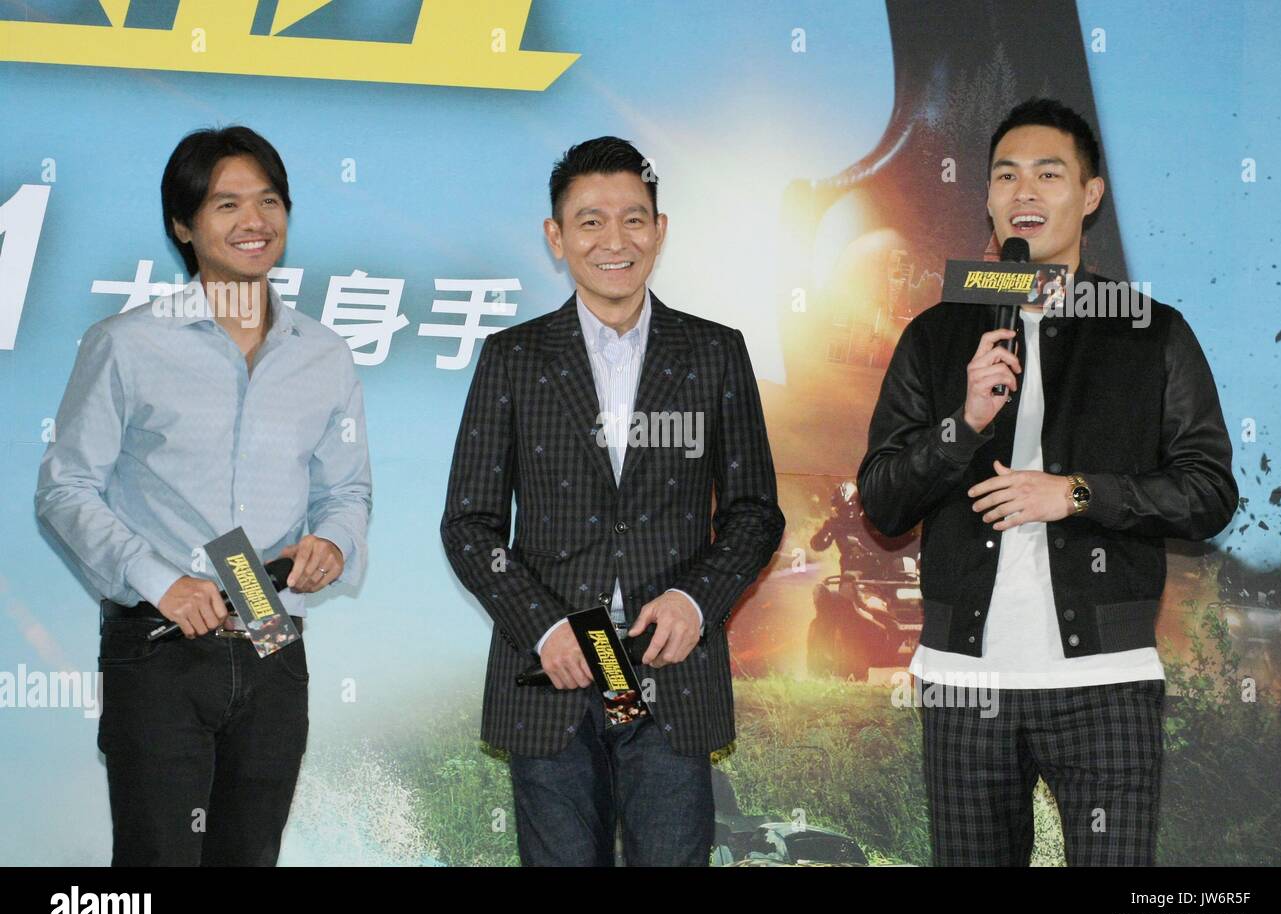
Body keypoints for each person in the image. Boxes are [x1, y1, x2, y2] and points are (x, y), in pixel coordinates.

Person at [857, 99, 1237, 866]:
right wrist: (960, 425)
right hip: (964, 683)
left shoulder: (1149, 329)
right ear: (989, 198)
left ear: (1090, 195)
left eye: (1048, 173)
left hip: (1105, 681)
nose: (1024, 191)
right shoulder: (936, 334)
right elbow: (883, 501)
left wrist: (1076, 494)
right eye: (1006, 175)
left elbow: (1208, 492)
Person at [441, 136, 785, 866]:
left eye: (634, 219)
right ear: (556, 237)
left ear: (660, 231)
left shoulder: (716, 352)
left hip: (671, 671)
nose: (614, 240)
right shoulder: (513, 358)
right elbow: (469, 525)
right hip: (550, 679)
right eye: (590, 221)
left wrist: (697, 601)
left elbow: (756, 511)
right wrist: (543, 628)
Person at [35, 126, 372, 866]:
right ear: (184, 226)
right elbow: (64, 488)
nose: (255, 222)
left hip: (273, 644)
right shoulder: (127, 343)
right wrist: (163, 583)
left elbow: (347, 490)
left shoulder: (324, 354)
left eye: (269, 200)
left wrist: (334, 543)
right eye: (227, 204)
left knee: (249, 856)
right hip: (159, 649)